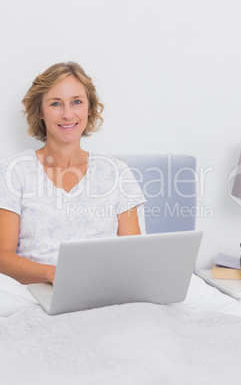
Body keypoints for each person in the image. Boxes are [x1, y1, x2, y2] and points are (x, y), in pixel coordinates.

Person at [0, 62, 145, 285]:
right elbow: (3, 257)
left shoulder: (116, 172)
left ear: (89, 108)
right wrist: (53, 274)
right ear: (40, 111)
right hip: (38, 291)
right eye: (56, 103)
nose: (68, 114)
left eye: (76, 102)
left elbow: (135, 255)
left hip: (105, 289)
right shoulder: (14, 172)